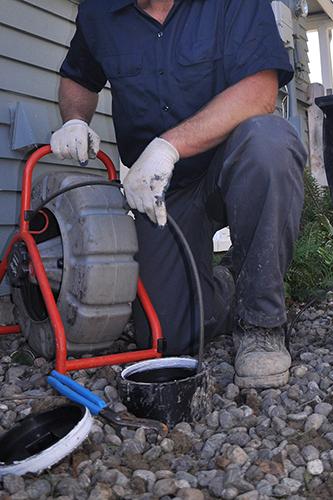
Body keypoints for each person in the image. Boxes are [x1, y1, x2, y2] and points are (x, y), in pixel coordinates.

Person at [50, 0, 306, 388]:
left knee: (269, 141)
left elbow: (260, 93)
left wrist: (169, 146)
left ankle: (261, 324)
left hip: (232, 162)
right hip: (163, 191)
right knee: (165, 336)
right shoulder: (99, 11)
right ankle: (229, 288)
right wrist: (73, 119)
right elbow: (78, 79)